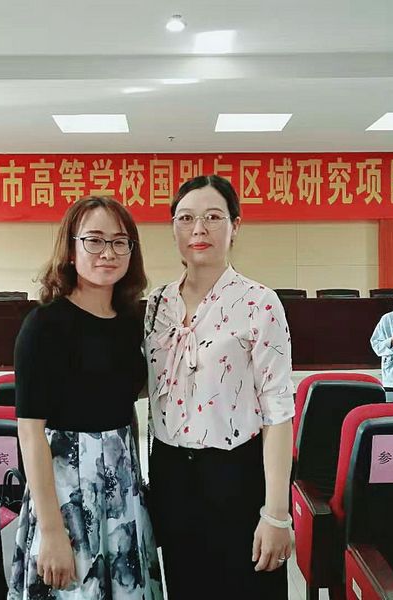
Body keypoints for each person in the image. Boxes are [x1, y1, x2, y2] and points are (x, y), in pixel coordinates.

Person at [144, 175, 295, 600]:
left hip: (236, 477)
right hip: (172, 475)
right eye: (186, 218)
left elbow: (278, 410)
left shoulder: (259, 303)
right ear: (173, 227)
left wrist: (276, 513)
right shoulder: (158, 303)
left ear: (235, 226)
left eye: (213, 217)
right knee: (186, 586)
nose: (199, 229)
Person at [9, 197, 163, 600]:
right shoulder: (44, 325)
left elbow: (125, 401)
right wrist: (51, 530)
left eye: (119, 241)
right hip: (66, 491)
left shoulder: (130, 322)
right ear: (71, 249)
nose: (107, 252)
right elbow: (30, 433)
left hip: (123, 487)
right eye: (94, 240)